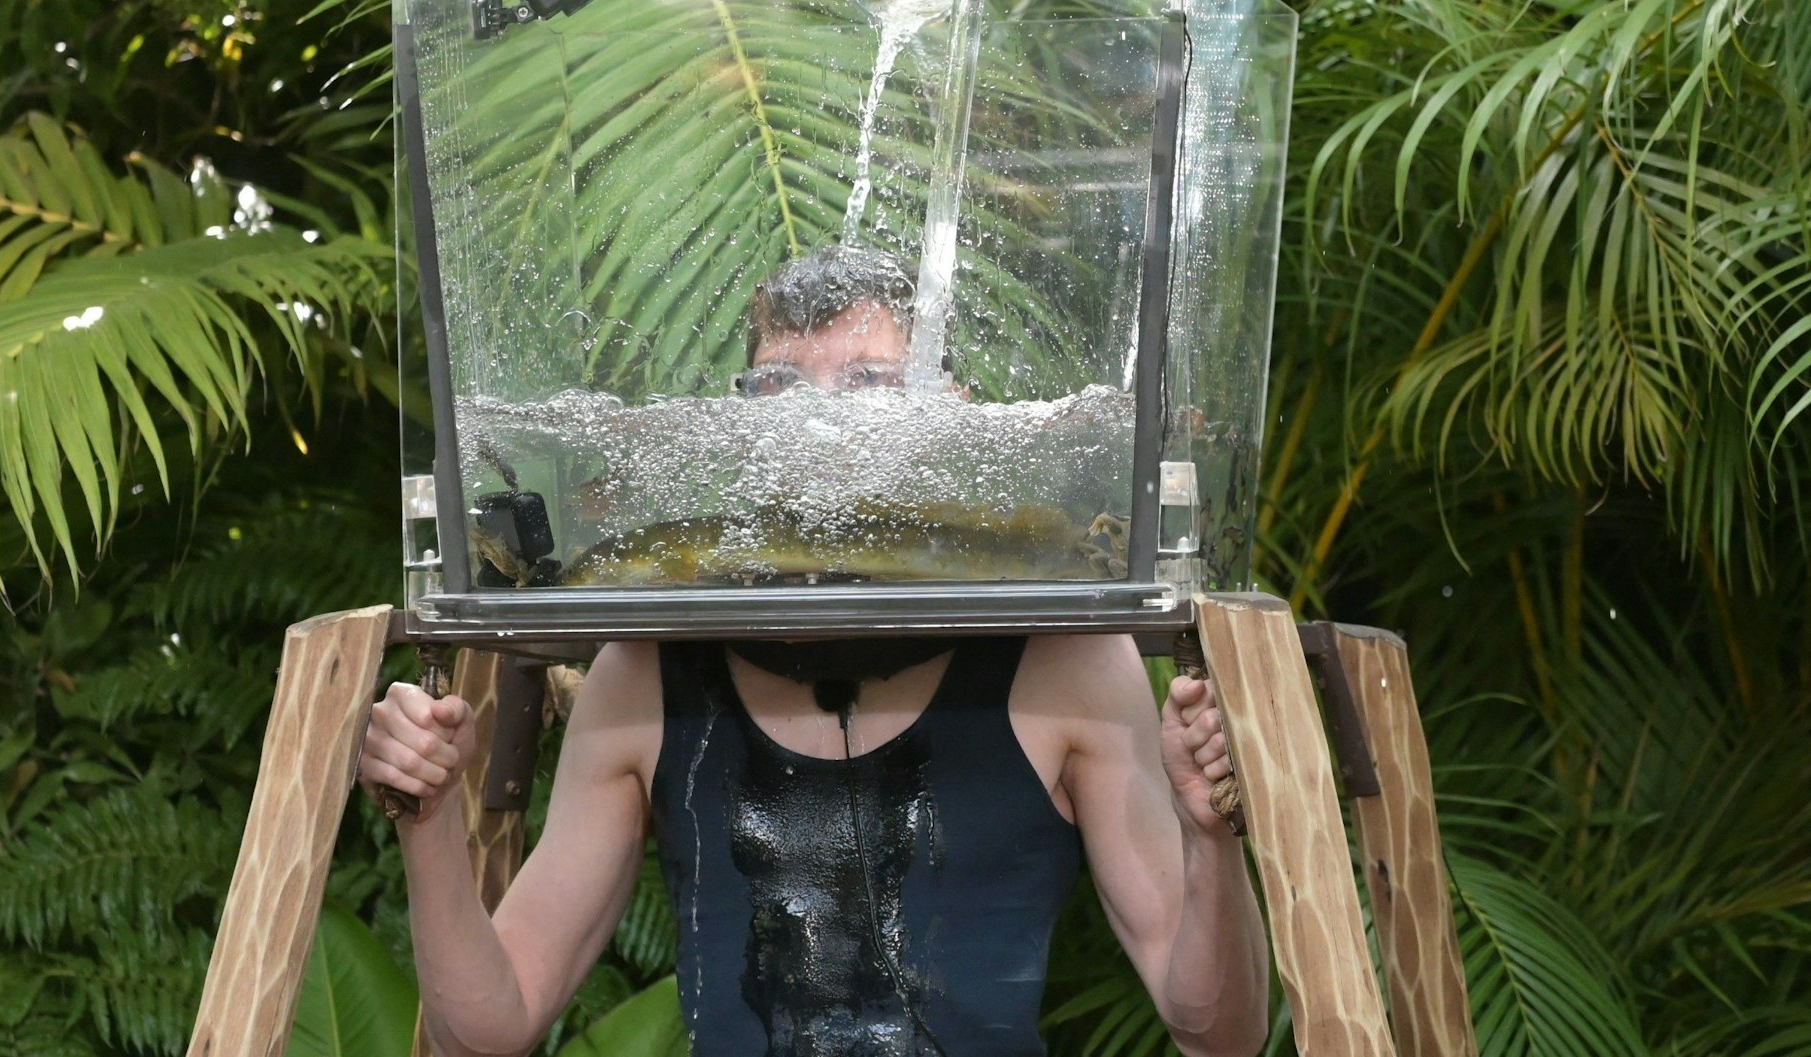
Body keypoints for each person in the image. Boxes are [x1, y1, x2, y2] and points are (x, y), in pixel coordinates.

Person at [360, 246, 1269, 1057]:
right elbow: (492, 1024)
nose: (818, 420)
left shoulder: (1069, 661)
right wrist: (428, 820)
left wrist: (1209, 834)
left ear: (948, 410)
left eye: (870, 381)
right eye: (781, 385)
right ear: (740, 413)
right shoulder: (645, 670)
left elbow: (1220, 1031)